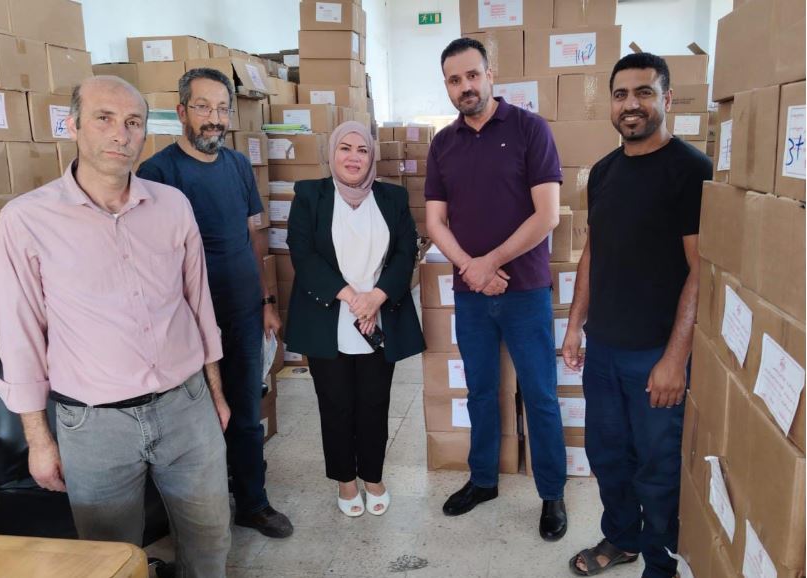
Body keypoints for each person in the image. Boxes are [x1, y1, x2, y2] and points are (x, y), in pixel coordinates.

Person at [0, 76, 231, 577]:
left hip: (185, 407)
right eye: (104, 118)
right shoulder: (26, 220)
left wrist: (216, 393)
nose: (121, 134)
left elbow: (199, 304)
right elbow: (20, 337)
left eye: (133, 122)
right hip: (94, 425)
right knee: (111, 560)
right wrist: (39, 440)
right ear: (73, 125)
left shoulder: (172, 206)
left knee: (210, 540)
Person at [563, 53, 711, 577]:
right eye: (621, 94)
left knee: (658, 468)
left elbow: (701, 270)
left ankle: (660, 564)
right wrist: (575, 324)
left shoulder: (691, 171)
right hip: (604, 348)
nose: (632, 104)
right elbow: (593, 251)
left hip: (655, 353)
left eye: (644, 92)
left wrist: (675, 359)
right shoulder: (603, 172)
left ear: (666, 99)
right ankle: (622, 538)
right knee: (608, 456)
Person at [137, 68, 293, 539]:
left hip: (242, 310)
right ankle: (195, 512)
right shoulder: (157, 174)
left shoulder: (238, 166)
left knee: (245, 408)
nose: (215, 119)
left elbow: (253, 236)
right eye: (203, 107)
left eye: (223, 109)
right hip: (185, 320)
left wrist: (266, 299)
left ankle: (253, 502)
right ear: (182, 111)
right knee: (192, 418)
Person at [425, 37, 568, 541]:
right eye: (454, 80)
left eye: (472, 75)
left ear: (491, 74)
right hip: (470, 295)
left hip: (525, 291)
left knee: (540, 394)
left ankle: (552, 493)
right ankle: (483, 480)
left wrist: (490, 263)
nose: (465, 86)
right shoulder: (443, 144)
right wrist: (471, 269)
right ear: (447, 86)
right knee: (481, 392)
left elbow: (547, 215)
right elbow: (435, 221)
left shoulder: (530, 129)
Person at [284, 121, 424, 517]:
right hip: (329, 319)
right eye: (344, 148)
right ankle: (346, 480)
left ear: (372, 156)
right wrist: (351, 297)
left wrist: (376, 297)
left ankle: (373, 477)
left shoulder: (393, 198)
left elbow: (405, 252)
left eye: (362, 150)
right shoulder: (309, 195)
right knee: (335, 405)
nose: (353, 157)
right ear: (332, 154)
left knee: (374, 404)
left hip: (379, 319)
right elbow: (302, 253)